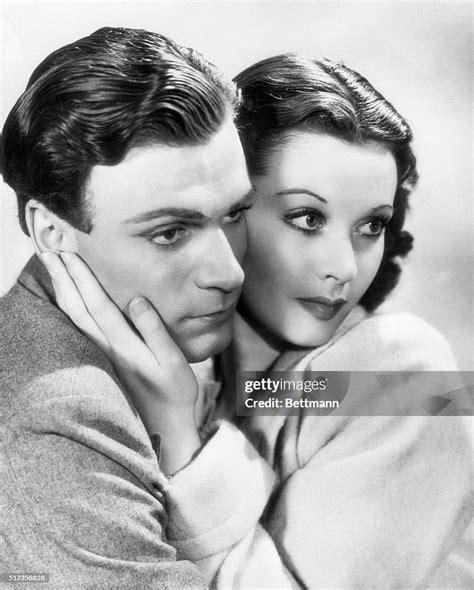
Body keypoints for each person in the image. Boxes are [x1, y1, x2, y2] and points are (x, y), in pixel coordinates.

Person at [46, 53, 473, 588]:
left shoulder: (407, 374)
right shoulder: (189, 364)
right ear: (228, 208)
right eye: (307, 219)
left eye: (371, 225)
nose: (343, 268)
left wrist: (180, 436)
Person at [0, 27, 296, 588]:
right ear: (51, 230)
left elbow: (420, 394)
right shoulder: (59, 414)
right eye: (169, 233)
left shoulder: (177, 340)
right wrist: (182, 437)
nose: (229, 272)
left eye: (234, 214)